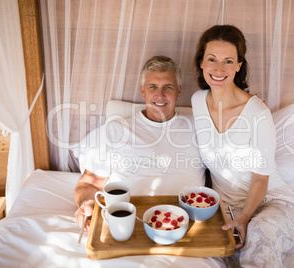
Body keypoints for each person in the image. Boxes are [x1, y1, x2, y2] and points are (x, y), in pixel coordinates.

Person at [191, 25, 294, 267]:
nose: (218, 69)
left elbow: (261, 179)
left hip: (270, 202)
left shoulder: (258, 113)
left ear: (239, 65)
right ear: (201, 62)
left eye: (228, 61)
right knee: (205, 255)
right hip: (226, 208)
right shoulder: (197, 101)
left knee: (259, 236)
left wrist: (245, 218)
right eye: (212, 59)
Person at [74, 55, 206, 230]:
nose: (160, 94)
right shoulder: (116, 129)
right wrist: (86, 203)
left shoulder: (199, 127)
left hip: (189, 223)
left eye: (168, 87)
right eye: (153, 87)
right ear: (143, 91)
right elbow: (89, 183)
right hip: (130, 222)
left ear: (179, 91)